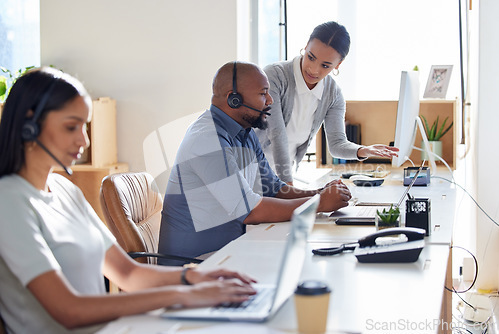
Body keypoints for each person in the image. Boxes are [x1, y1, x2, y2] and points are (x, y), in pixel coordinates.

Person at [0, 67, 257, 334]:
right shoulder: (9, 202)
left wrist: (192, 276)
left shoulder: (65, 190)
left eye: (84, 127)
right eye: (71, 127)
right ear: (30, 125)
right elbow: (69, 311)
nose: (84, 141)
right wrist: (183, 295)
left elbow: (127, 273)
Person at [158, 61, 352, 265]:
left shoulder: (245, 133)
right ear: (233, 98)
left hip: (226, 252)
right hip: (194, 264)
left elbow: (273, 188)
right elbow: (250, 211)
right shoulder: (208, 139)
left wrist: (319, 193)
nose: (270, 100)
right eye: (263, 93)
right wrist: (318, 203)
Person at [255, 21, 399, 184]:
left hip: (282, 179)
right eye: (311, 57)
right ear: (306, 45)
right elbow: (276, 133)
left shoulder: (333, 94)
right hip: (252, 174)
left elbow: (337, 144)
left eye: (325, 65)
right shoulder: (275, 75)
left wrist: (362, 150)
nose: (314, 70)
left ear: (338, 64)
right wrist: (288, 186)